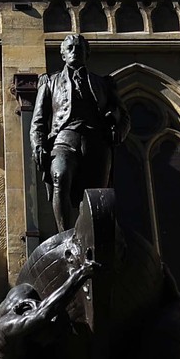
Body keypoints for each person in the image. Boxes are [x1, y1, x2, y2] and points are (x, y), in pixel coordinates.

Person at [29, 31, 119, 231]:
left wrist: (118, 128)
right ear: (63, 54)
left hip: (96, 141)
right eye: (69, 48)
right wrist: (37, 145)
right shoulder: (50, 82)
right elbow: (38, 120)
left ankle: (89, 239)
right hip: (63, 140)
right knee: (60, 176)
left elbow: (123, 115)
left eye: (79, 48)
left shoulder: (103, 83)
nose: (74, 52)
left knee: (95, 197)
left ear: (87, 53)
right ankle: (65, 236)